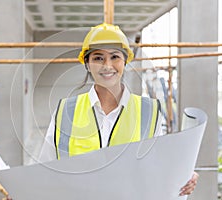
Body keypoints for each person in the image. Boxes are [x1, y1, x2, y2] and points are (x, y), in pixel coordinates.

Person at [39, 23, 198, 196]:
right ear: (87, 63)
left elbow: (160, 168)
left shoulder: (148, 112)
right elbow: (45, 170)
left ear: (125, 62)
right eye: (98, 58)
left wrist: (185, 176)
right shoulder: (65, 112)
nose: (107, 65)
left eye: (115, 57)